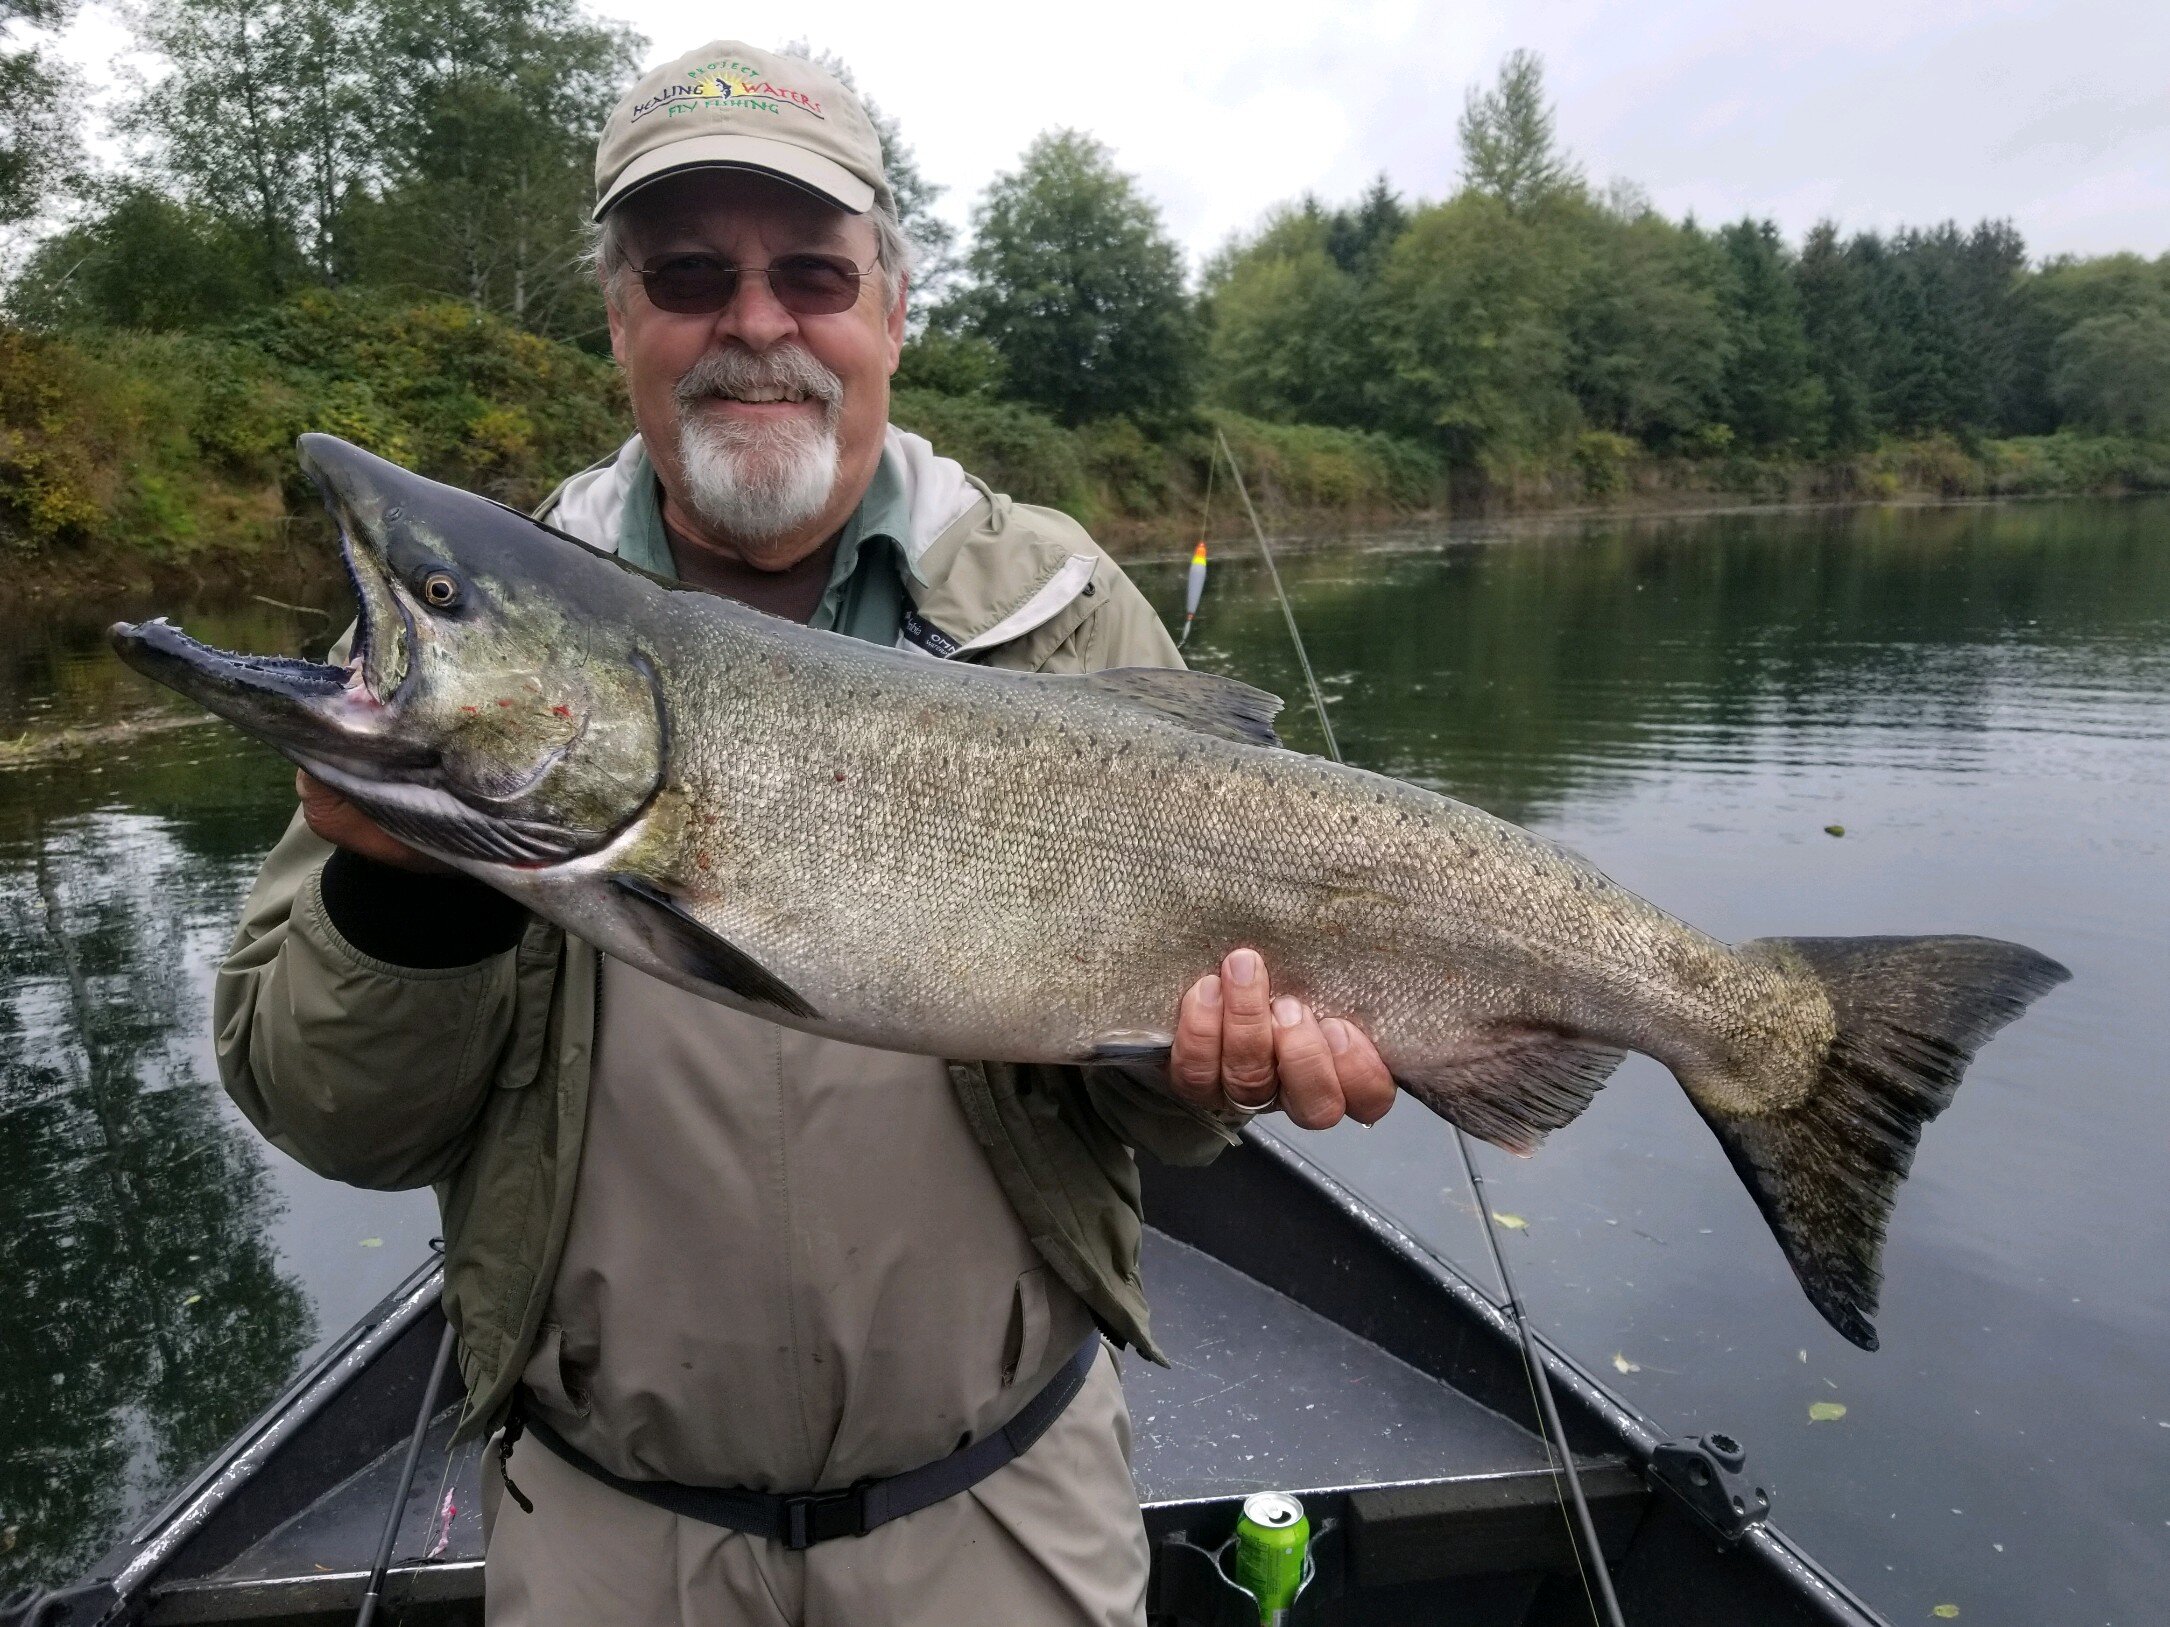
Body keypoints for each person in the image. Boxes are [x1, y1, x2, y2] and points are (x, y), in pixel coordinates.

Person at [214, 41, 1395, 1627]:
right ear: (621, 317)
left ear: (890, 313)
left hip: (998, 1510)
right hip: (602, 1527)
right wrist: (403, 887)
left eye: (811, 274)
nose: (754, 324)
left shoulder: (1057, 612)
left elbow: (1170, 1130)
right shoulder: (494, 635)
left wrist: (1211, 1079)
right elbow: (334, 1123)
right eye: (687, 273)